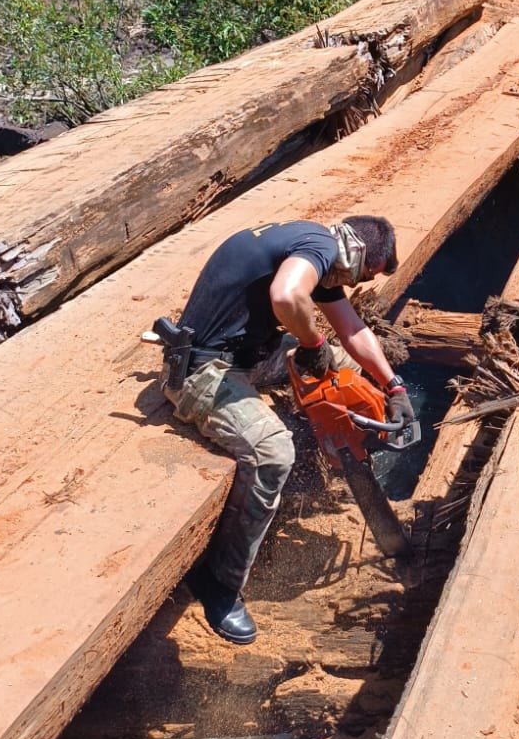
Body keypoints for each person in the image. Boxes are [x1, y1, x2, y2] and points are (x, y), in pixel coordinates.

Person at [158, 215, 414, 645]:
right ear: (358, 256)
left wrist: (393, 387)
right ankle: (219, 584)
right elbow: (286, 295)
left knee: (339, 361)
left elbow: (352, 329)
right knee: (274, 453)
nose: (351, 286)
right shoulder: (319, 249)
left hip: (243, 353)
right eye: (361, 277)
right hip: (202, 373)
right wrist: (312, 344)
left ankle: (348, 430)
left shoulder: (312, 245)